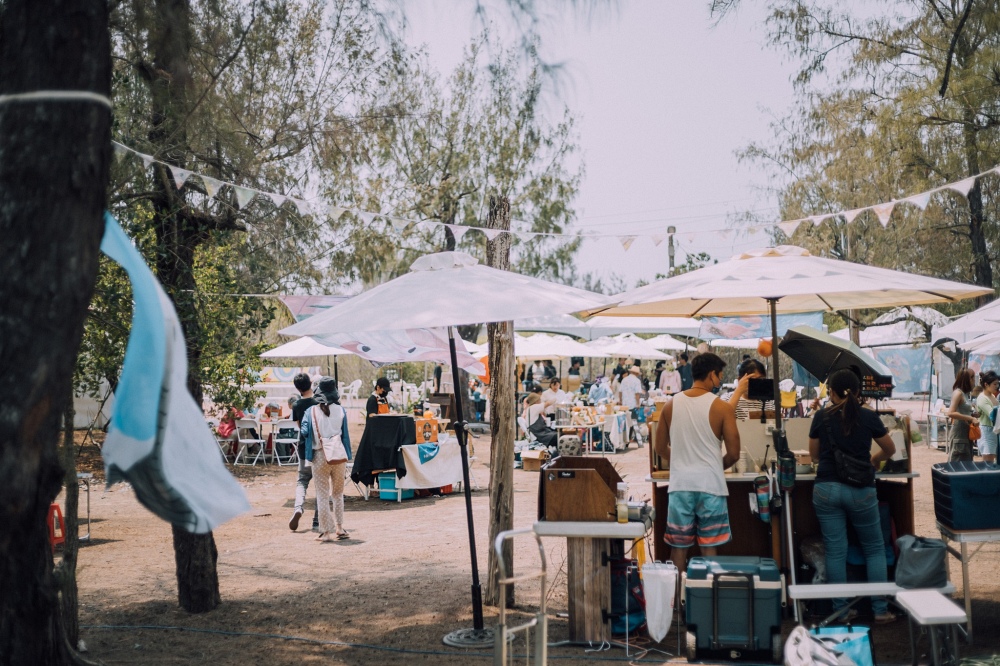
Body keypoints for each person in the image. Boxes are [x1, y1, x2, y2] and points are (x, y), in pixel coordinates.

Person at [809, 368, 897, 624]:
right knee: (874, 549)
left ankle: (842, 611)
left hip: (826, 489)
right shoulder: (869, 417)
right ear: (859, 392)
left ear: (832, 392)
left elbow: (814, 455)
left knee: (836, 551)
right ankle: (880, 611)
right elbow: (889, 449)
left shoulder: (821, 417)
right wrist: (872, 459)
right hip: (861, 490)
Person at [654, 352, 740, 579]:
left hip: (680, 486)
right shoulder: (723, 408)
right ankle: (709, 605)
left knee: (678, 549)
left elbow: (660, 448)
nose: (720, 382)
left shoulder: (670, 405)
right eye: (720, 376)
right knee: (709, 549)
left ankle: (677, 608)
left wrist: (683, 460)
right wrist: (712, 465)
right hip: (711, 486)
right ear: (712, 374)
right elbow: (733, 454)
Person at [301, 377, 352, 542]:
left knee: (322, 495)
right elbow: (345, 435)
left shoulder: (311, 412)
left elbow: (303, 432)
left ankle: (325, 532)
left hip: (319, 455)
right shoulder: (341, 410)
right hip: (338, 455)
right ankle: (340, 527)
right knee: (338, 493)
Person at [289, 373, 319, 532]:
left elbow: (301, 427)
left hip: (303, 447)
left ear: (297, 388)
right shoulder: (319, 403)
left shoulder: (296, 405)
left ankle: (298, 508)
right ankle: (316, 521)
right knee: (320, 485)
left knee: (302, 481)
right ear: (311, 383)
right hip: (319, 448)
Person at [946, 368, 979, 462]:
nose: (974, 382)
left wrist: (973, 415)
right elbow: (951, 413)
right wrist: (970, 418)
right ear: (967, 380)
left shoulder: (965, 394)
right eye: (972, 378)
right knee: (957, 464)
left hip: (966, 434)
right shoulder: (958, 393)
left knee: (966, 464)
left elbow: (962, 411)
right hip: (959, 436)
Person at [976, 371, 999, 464]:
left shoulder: (992, 396)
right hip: (987, 432)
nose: (997, 386)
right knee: (988, 463)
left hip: (994, 431)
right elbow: (993, 415)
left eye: (998, 384)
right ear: (986, 384)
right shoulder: (982, 398)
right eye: (994, 384)